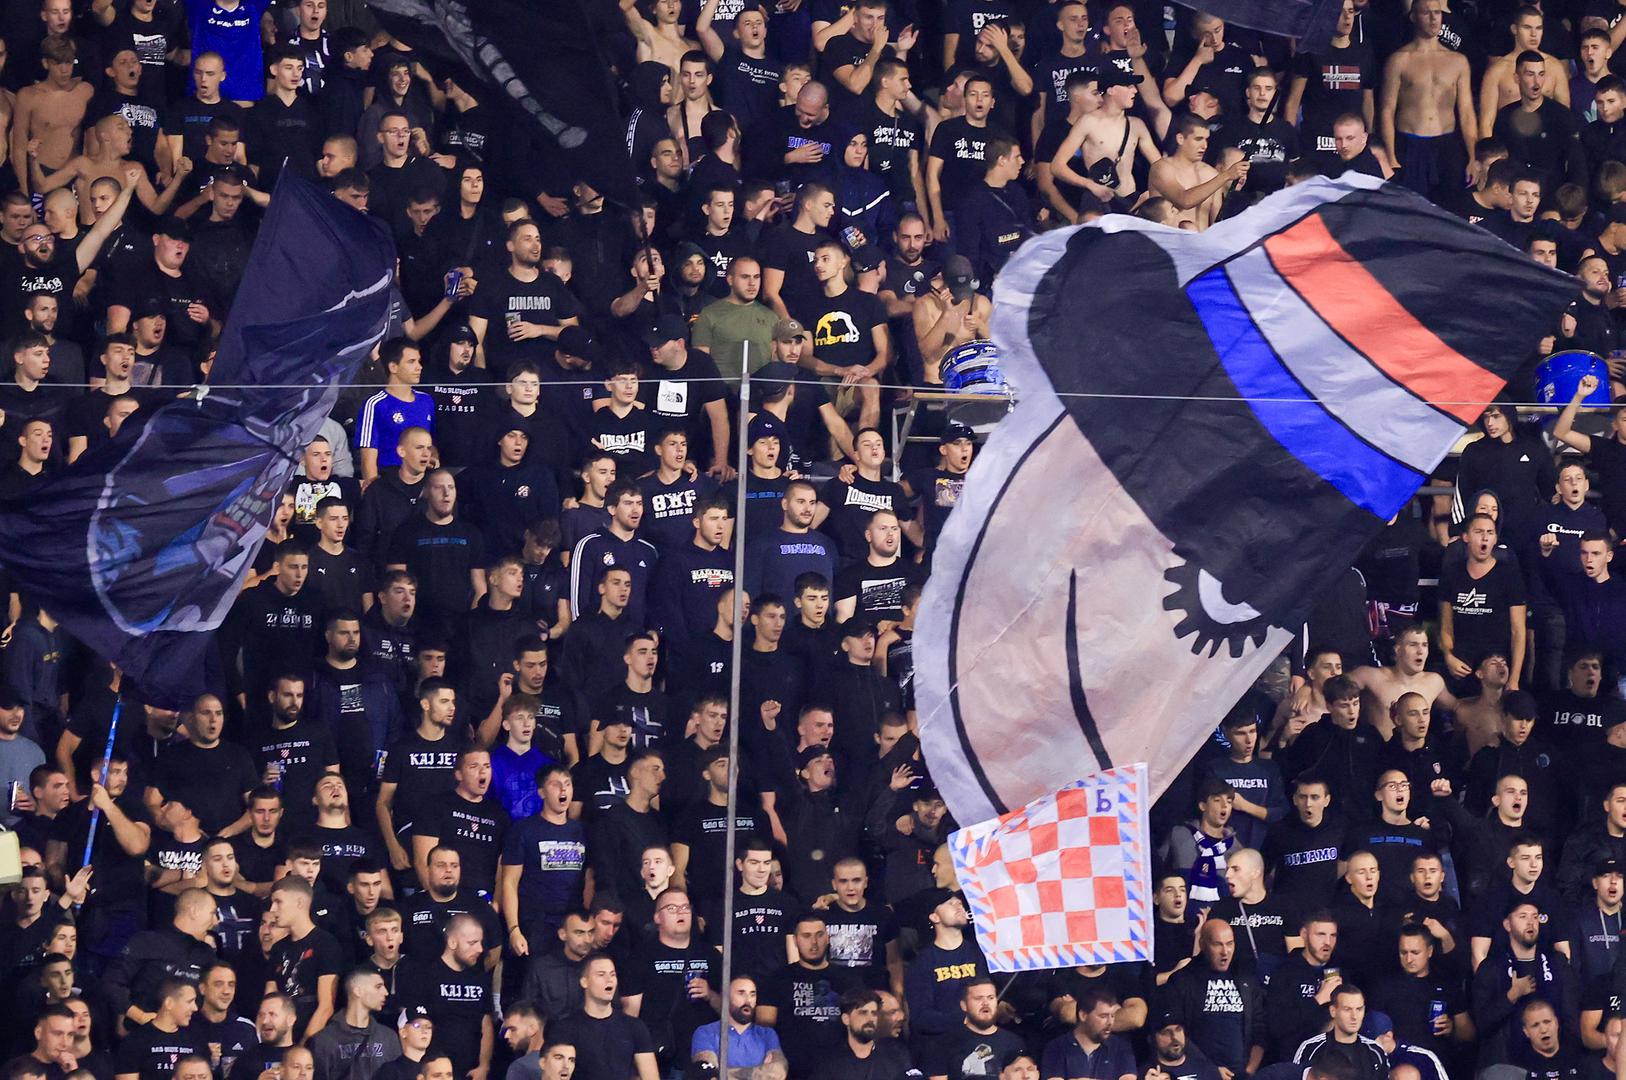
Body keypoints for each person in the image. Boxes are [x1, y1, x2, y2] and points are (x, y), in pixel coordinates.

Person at [1378, 0, 1476, 202]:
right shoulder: (1399, 60)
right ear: (1414, 17)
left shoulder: (1458, 61)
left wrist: (1473, 156)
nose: (1433, 19)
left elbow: (1466, 112)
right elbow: (1387, 110)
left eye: (1437, 13)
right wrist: (1390, 155)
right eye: (1426, 13)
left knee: (1448, 211)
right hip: (1409, 144)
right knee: (1410, 211)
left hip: (1447, 145)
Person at [810, 987, 916, 1080]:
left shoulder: (896, 1055)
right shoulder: (830, 1062)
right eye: (863, 1013)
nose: (870, 1019)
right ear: (846, 1019)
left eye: (874, 1013)